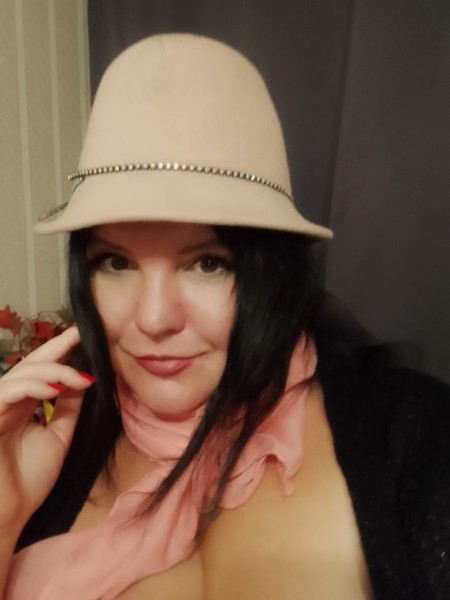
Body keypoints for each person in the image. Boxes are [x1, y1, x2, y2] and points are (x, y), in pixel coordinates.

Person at [0, 34, 449, 600]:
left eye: (207, 263)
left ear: (274, 272)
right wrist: (6, 509)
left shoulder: (413, 435)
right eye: (116, 261)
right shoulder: (58, 445)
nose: (154, 319)